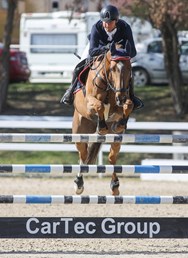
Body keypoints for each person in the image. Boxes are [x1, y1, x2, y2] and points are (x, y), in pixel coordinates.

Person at [61, 4, 143, 110]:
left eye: (109, 22)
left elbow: (133, 52)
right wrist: (107, 49)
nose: (106, 25)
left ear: (116, 21)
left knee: (126, 71)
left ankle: (132, 96)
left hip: (117, 53)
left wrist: (122, 53)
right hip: (97, 48)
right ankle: (71, 91)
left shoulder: (125, 27)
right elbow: (92, 51)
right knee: (79, 66)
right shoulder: (96, 27)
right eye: (104, 21)